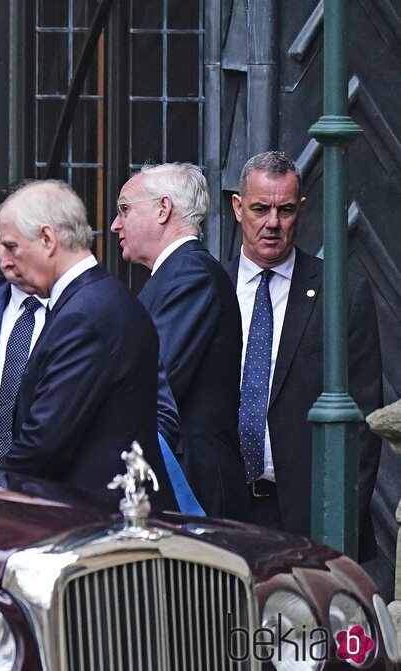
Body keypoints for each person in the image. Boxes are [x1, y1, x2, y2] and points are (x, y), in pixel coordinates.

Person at [226, 151, 382, 554]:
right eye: (260, 209)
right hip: (222, 510)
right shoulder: (212, 289)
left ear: (302, 210)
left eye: (286, 210)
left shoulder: (341, 294)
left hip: (307, 518)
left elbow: (362, 422)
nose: (273, 223)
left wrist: (339, 519)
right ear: (238, 208)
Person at [0, 180, 174, 509]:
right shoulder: (96, 299)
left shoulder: (85, 314)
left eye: (12, 247)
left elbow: (44, 443)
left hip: (98, 523)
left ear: (47, 239)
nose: (5, 262)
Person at [110, 162, 249, 520]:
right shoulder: (178, 273)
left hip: (190, 485)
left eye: (125, 209)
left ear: (163, 209)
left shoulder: (190, 274)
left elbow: (150, 380)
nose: (115, 225)